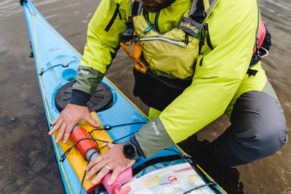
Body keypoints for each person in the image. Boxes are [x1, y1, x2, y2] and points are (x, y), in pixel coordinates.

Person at [49, 0, 288, 186]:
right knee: (162, 138)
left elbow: (215, 86)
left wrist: (133, 148)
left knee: (266, 134)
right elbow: (102, 39)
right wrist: (79, 98)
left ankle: (206, 161)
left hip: (233, 79)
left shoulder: (233, 5)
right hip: (169, 80)